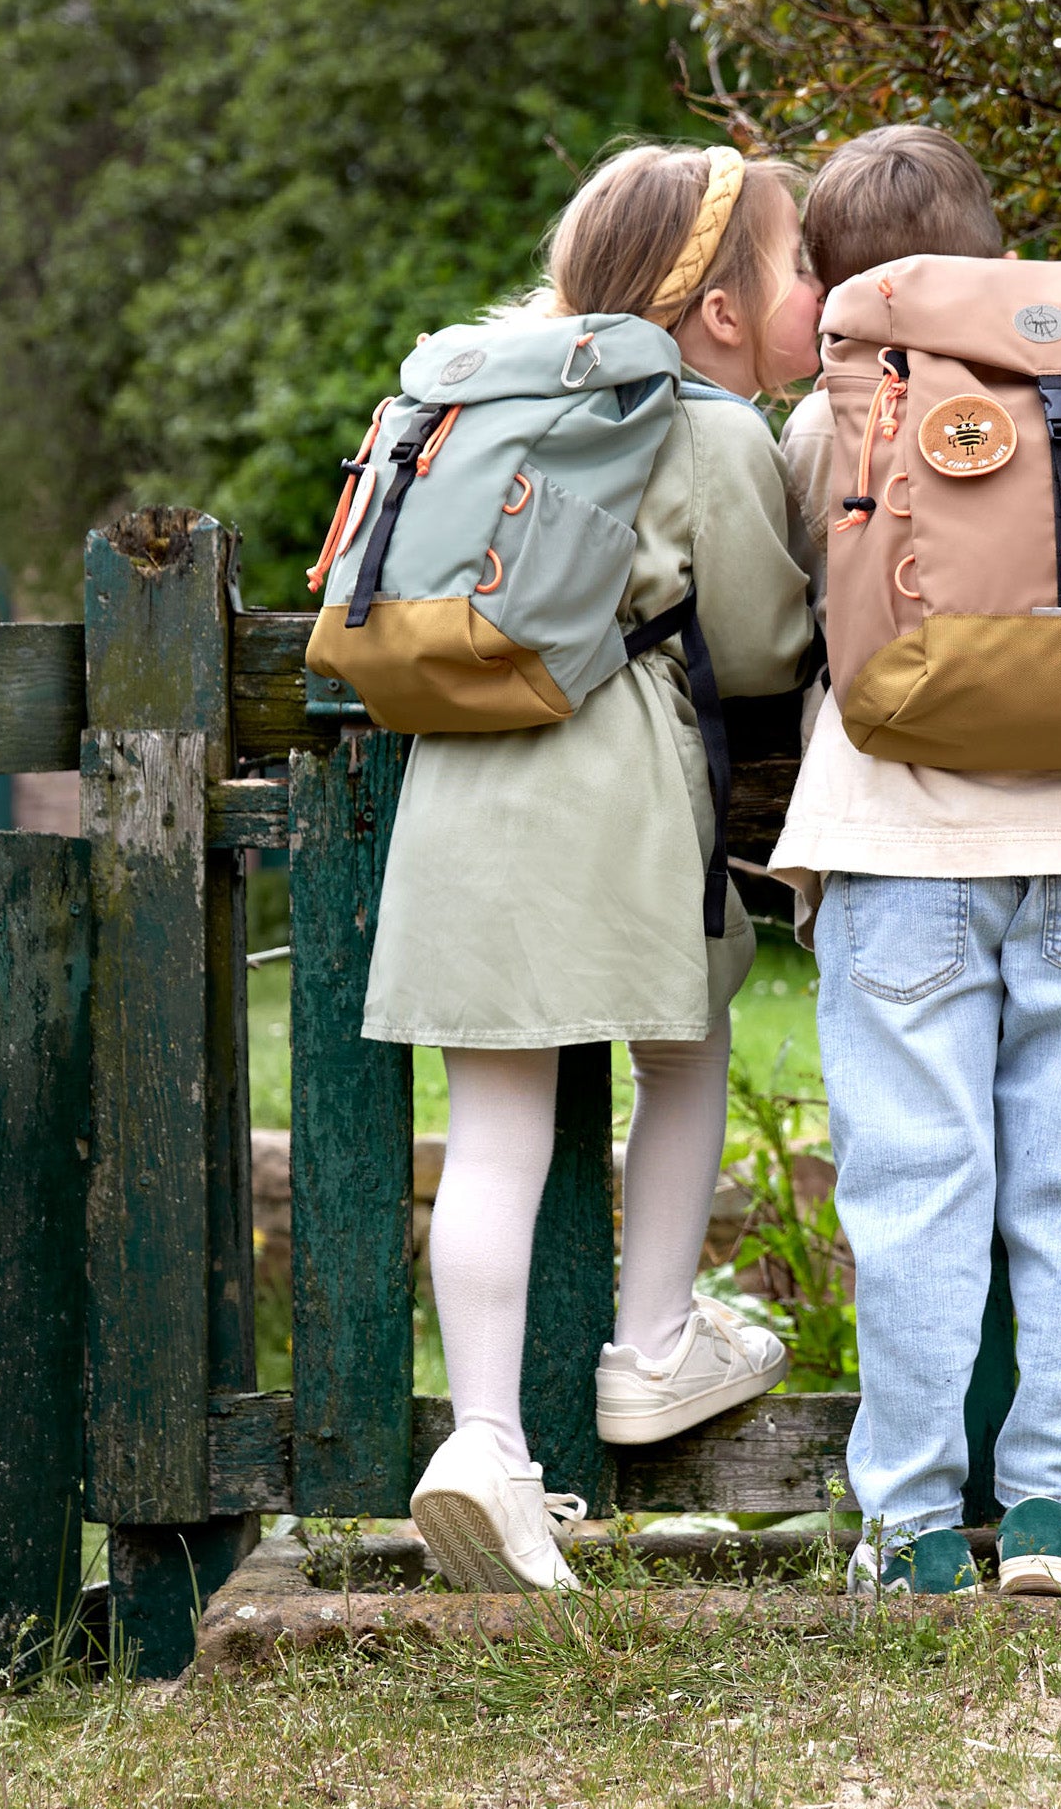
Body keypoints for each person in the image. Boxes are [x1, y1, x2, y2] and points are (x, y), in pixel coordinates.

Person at [769, 125, 1061, 1599]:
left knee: (914, 1187)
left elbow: (793, 614)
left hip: (898, 839)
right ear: (994, 243)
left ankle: (906, 1529)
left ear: (844, 284)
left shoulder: (837, 407)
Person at [363, 143, 821, 1593]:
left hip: (457, 800)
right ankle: (655, 1340)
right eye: (799, 264)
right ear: (727, 313)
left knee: (495, 1129)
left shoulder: (479, 399)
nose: (817, 289)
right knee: (680, 1053)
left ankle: (486, 1443)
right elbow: (755, 647)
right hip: (616, 801)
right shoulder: (706, 425)